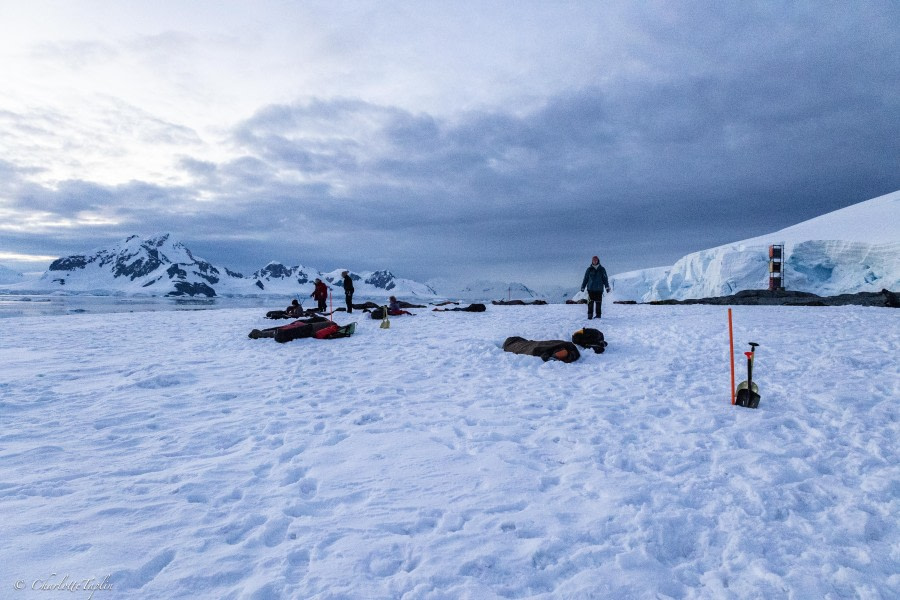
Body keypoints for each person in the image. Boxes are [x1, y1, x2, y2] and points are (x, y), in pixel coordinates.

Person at [580, 255, 611, 320]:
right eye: (593, 260)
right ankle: (590, 315)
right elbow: (585, 278)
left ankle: (598, 315)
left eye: (596, 260)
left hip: (599, 289)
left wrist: (607, 287)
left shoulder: (602, 269)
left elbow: (605, 278)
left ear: (598, 260)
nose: (595, 261)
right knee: (590, 303)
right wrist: (583, 286)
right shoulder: (589, 269)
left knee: (598, 303)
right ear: (592, 261)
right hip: (590, 289)